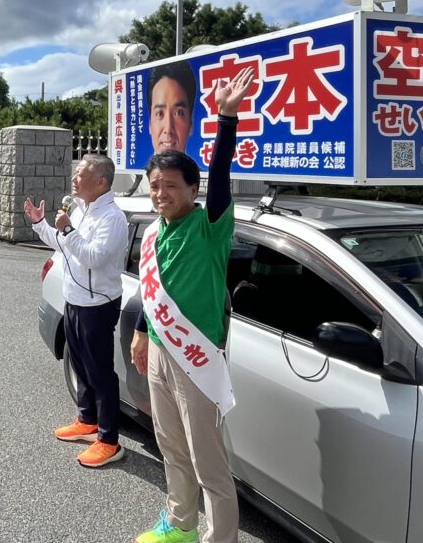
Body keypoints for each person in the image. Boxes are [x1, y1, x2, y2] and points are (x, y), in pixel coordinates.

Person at [130, 66, 255, 543]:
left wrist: (226, 116)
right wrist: (142, 332)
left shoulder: (210, 226)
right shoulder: (153, 231)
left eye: (170, 186)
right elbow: (151, 289)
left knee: (209, 463)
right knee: (171, 448)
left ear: (193, 190)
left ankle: (219, 536)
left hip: (196, 359)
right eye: (154, 186)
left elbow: (221, 169)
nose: (160, 194)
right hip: (162, 351)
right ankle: (179, 524)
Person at [23, 154, 129, 468]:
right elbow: (65, 245)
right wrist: (41, 224)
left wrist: (68, 230)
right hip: (76, 301)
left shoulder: (112, 217)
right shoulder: (82, 210)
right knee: (80, 365)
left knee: (100, 374)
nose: (74, 178)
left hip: (98, 305)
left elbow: (93, 257)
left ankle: (109, 441)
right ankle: (87, 420)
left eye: (81, 173)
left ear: (101, 181)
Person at [148, 61, 197, 155]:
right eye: (160, 114)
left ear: (190, 123)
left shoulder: (199, 170)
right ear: (150, 125)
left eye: (179, 113)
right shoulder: (138, 170)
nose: (168, 129)